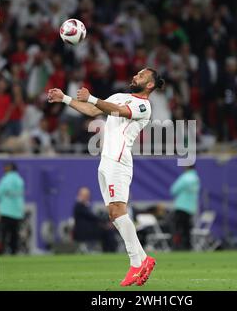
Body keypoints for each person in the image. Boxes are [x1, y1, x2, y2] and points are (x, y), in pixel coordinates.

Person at [48, 68, 163, 286]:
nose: (134, 76)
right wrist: (64, 98)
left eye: (140, 76)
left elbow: (118, 111)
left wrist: (93, 97)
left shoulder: (143, 106)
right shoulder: (120, 96)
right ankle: (144, 260)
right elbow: (93, 110)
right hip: (106, 160)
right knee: (114, 214)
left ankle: (136, 263)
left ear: (149, 85)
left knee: (118, 211)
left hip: (119, 160)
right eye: (135, 73)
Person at [0, 162, 25, 255]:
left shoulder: (5, 179)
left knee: (3, 234)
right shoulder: (20, 180)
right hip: (17, 213)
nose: (4, 169)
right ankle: (14, 253)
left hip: (6, 212)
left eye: (6, 168)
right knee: (14, 235)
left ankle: (0, 253)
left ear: (9, 169)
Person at [72, 187, 117, 252]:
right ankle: (109, 251)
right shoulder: (79, 205)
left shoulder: (83, 205)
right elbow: (92, 217)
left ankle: (108, 251)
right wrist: (104, 222)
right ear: (80, 195)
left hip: (87, 230)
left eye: (88, 196)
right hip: (83, 232)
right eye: (86, 196)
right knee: (108, 232)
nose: (87, 197)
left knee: (107, 231)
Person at [170, 165, 201, 250]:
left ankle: (177, 246)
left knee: (178, 228)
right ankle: (187, 246)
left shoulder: (185, 177)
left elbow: (173, 190)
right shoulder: (196, 178)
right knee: (187, 229)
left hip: (181, 206)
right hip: (191, 208)